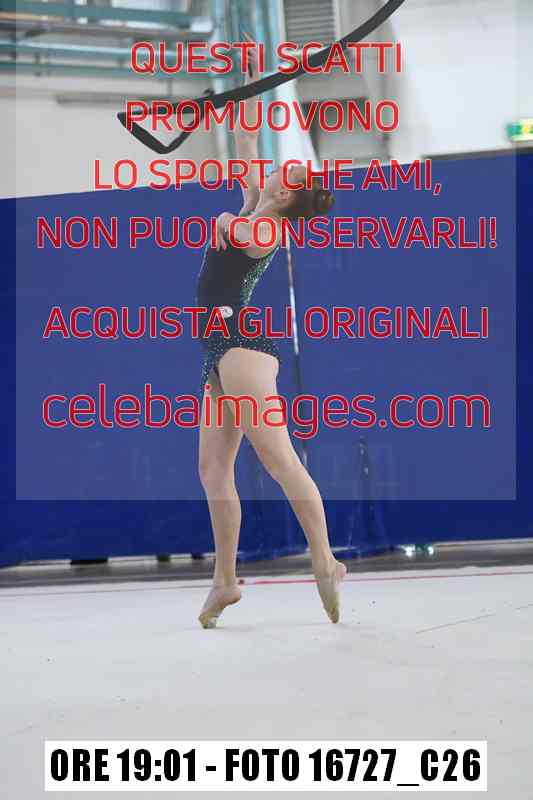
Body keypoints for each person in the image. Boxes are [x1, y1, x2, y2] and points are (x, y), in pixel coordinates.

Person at [196, 33, 346, 629]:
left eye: (291, 174)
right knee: (213, 471)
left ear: (288, 194)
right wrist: (248, 84)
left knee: (279, 460)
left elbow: (229, 228)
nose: (282, 170)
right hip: (219, 350)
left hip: (242, 348)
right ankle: (225, 580)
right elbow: (246, 144)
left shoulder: (263, 228)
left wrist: (229, 214)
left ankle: (324, 558)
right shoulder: (260, 203)